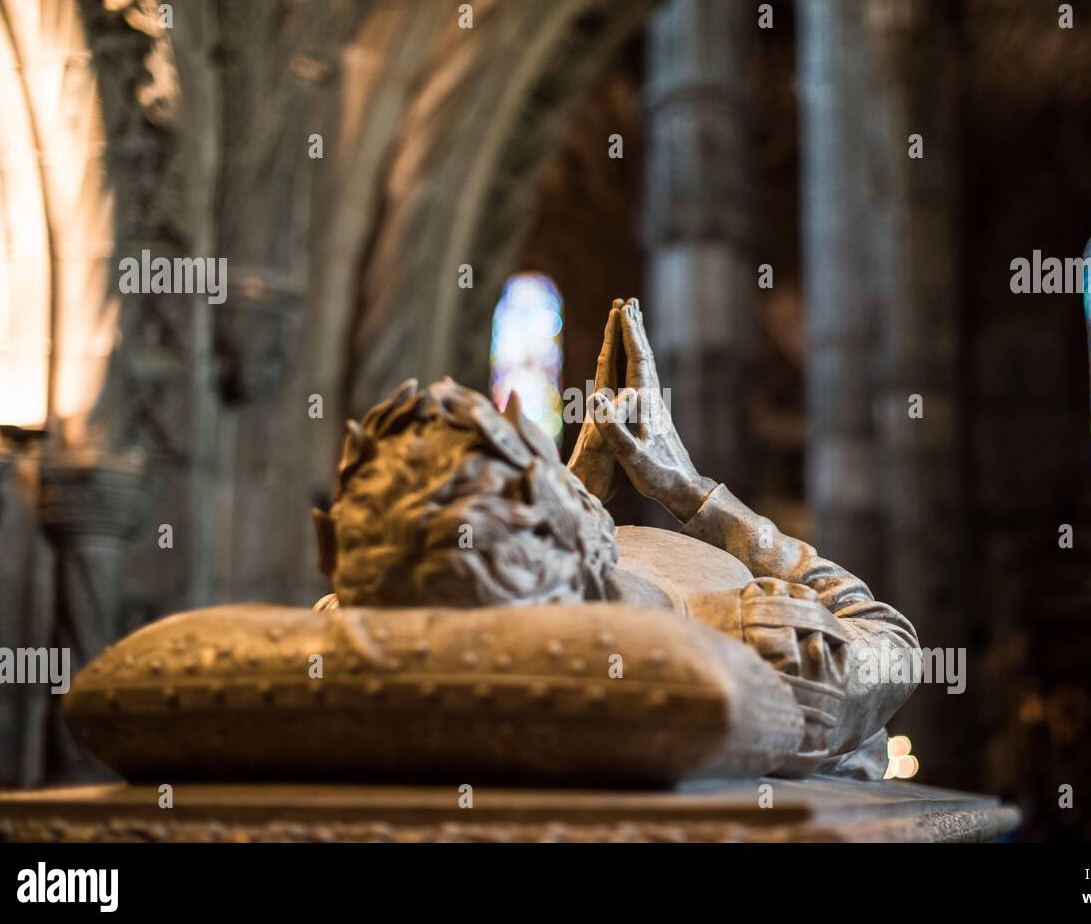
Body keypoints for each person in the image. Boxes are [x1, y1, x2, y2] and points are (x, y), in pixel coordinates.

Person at [312, 299, 920, 778]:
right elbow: (891, 641)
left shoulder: (375, 619)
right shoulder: (744, 644)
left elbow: (477, 587)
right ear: (563, 538)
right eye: (531, 455)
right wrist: (692, 490)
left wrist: (567, 495)